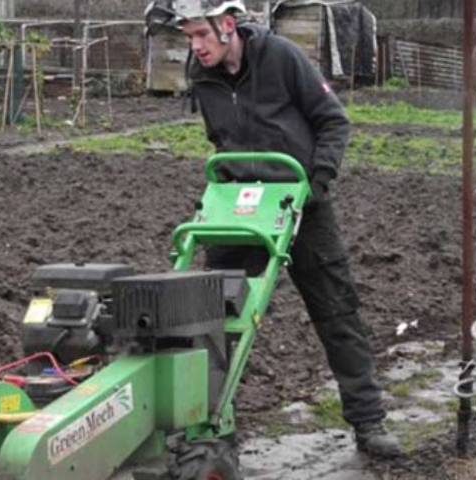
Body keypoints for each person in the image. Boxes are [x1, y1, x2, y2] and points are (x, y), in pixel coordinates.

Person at [145, 0, 403, 457]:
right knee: (212, 319)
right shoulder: (201, 74)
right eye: (189, 37)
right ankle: (212, 429)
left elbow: (333, 121)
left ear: (228, 25)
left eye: (202, 34)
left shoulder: (281, 56)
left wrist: (317, 182)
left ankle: (368, 422)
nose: (196, 46)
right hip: (238, 210)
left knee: (336, 311)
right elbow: (220, 136)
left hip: (300, 202)